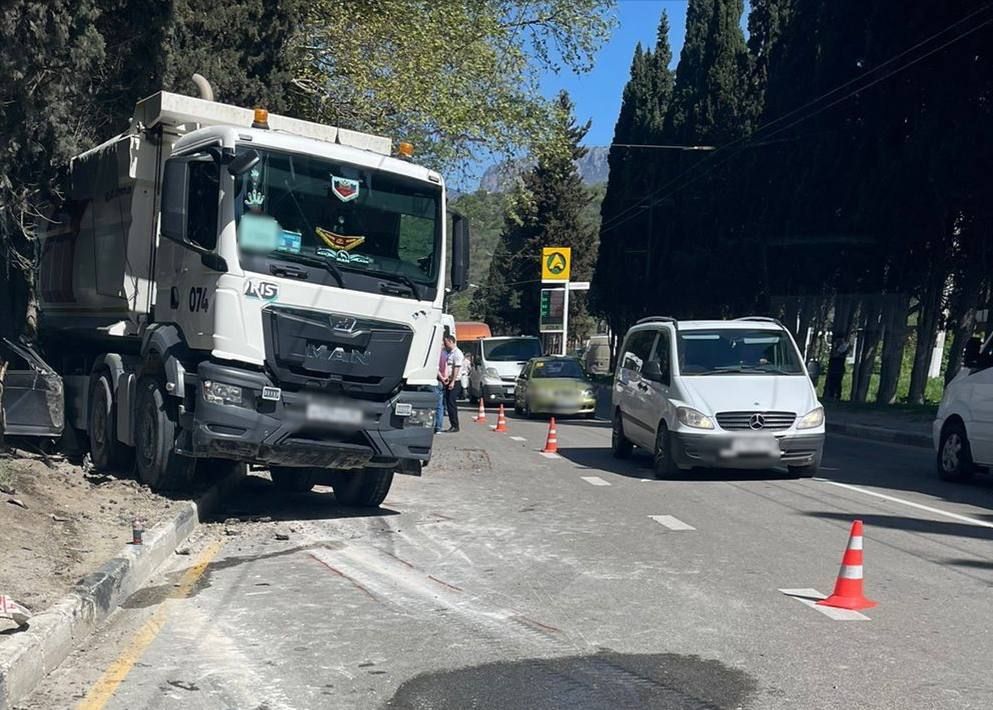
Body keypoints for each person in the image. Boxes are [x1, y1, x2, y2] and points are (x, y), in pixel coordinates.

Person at [442, 333, 464, 432]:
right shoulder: (450, 353)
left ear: (451, 341)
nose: (445, 344)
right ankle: (453, 424)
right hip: (449, 380)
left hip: (455, 381)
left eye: (446, 342)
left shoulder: (457, 353)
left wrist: (453, 381)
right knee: (448, 403)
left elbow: (456, 368)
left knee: (451, 404)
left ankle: (455, 425)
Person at [435, 345, 449, 433]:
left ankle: (432, 426)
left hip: (435, 380)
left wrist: (441, 377)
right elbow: (446, 366)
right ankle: (438, 428)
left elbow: (436, 368)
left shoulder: (435, 354)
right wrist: (445, 377)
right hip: (441, 382)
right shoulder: (444, 354)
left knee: (433, 405)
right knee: (440, 406)